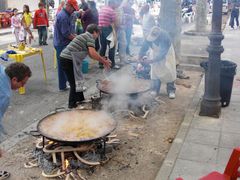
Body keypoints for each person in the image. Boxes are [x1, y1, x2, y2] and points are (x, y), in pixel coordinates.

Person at [60, 24, 111, 108]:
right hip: (68, 60)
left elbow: (91, 55)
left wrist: (102, 59)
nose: (97, 37)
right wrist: (104, 62)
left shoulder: (84, 36)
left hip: (70, 60)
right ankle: (72, 104)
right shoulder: (89, 37)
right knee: (74, 83)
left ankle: (80, 100)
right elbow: (92, 53)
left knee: (79, 80)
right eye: (98, 34)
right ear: (94, 32)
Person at [0, 62, 32, 180]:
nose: (22, 87)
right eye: (22, 83)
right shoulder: (4, 95)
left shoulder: (2, 69)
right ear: (14, 79)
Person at [139, 26, 176, 99]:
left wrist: (151, 61)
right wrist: (140, 56)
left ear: (158, 36)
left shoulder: (165, 37)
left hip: (167, 54)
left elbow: (162, 54)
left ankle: (171, 90)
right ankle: (155, 89)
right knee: (155, 72)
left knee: (169, 71)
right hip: (155, 52)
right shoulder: (149, 35)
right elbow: (144, 47)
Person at [54, 0, 79, 91]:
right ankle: (62, 86)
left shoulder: (70, 14)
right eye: (73, 8)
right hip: (61, 44)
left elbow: (70, 30)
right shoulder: (63, 16)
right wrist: (77, 39)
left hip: (65, 42)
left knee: (67, 64)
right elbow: (66, 34)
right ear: (68, 6)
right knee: (62, 65)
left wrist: (75, 36)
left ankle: (66, 83)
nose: (73, 11)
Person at [98, 0, 119, 69]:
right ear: (112, 3)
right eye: (115, 4)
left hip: (101, 29)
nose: (115, 5)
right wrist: (116, 31)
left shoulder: (102, 9)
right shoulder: (111, 11)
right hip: (108, 29)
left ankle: (101, 63)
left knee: (103, 47)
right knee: (112, 47)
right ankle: (111, 64)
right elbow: (115, 23)